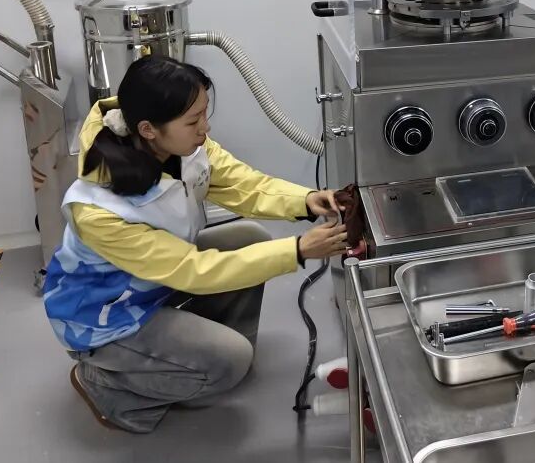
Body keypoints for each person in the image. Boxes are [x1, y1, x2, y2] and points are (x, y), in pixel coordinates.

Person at [42, 55, 348, 433]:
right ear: (148, 129)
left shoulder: (180, 147)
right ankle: (106, 383)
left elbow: (242, 184)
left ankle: (200, 355)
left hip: (150, 282)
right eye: (193, 120)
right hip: (106, 316)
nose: (205, 127)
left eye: (204, 113)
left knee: (247, 239)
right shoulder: (99, 210)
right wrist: (297, 250)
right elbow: (193, 270)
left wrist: (306, 200)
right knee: (231, 361)